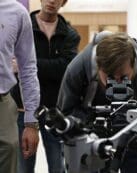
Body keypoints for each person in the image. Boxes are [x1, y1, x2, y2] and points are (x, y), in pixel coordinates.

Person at [57, 32, 137, 173]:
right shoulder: (78, 69)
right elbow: (65, 111)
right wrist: (90, 124)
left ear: (134, 64)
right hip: (94, 141)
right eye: (110, 77)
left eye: (123, 77)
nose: (117, 84)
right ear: (98, 66)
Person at [11, 0, 80, 173]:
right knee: (24, 166)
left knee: (57, 166)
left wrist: (26, 65)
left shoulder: (70, 35)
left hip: (55, 110)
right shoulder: (22, 27)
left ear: (63, 2)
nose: (52, 1)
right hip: (23, 108)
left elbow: (64, 68)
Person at [0, 1, 40, 173]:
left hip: (2, 102)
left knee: (8, 152)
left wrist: (31, 123)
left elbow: (28, 68)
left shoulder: (16, 13)